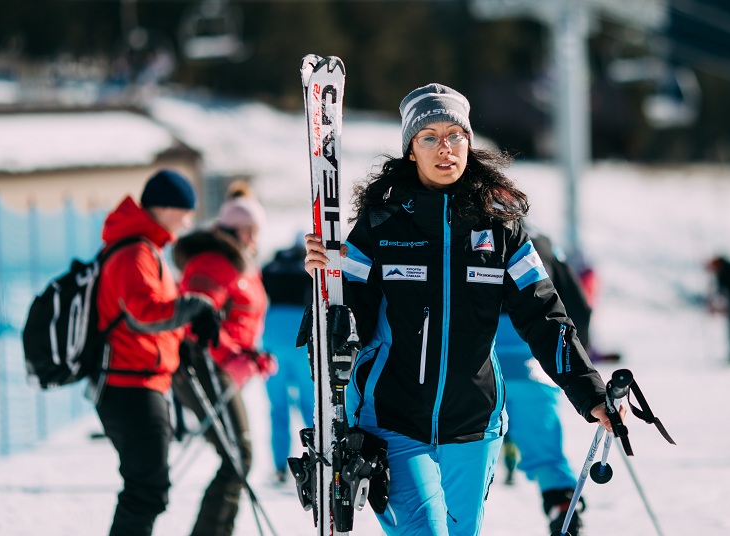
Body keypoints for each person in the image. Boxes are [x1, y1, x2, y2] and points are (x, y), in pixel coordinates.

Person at [304, 83, 623, 536]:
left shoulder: (501, 228)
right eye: (429, 137)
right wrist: (325, 277)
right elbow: (343, 316)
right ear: (411, 149)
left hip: (475, 423)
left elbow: (544, 316)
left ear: (469, 143)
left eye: (455, 135)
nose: (445, 148)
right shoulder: (380, 224)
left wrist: (589, 393)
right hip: (393, 419)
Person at [94, 169, 223, 536]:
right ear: (165, 207)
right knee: (146, 490)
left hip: (139, 382)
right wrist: (195, 306)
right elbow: (143, 314)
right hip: (130, 387)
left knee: (147, 489)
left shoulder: (143, 248)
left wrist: (180, 341)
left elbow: (148, 315)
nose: (188, 221)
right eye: (186, 211)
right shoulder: (134, 251)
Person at [171, 181, 277, 536]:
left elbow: (235, 320)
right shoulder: (214, 261)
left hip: (219, 369)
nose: (255, 238)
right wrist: (232, 356)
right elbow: (196, 320)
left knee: (237, 457)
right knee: (238, 457)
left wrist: (249, 355)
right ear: (235, 229)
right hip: (200, 366)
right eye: (251, 230)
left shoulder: (239, 262)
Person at [495, 232, 592, 535]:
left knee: (459, 456)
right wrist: (578, 356)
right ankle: (562, 505)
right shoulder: (540, 243)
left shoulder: (461, 233)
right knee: (545, 450)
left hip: (479, 360)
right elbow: (578, 306)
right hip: (535, 360)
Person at [261, 242, 315, 484]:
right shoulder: (308, 267)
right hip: (301, 334)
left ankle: (279, 467)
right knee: (311, 405)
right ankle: (318, 458)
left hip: (272, 334)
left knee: (278, 407)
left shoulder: (270, 268)